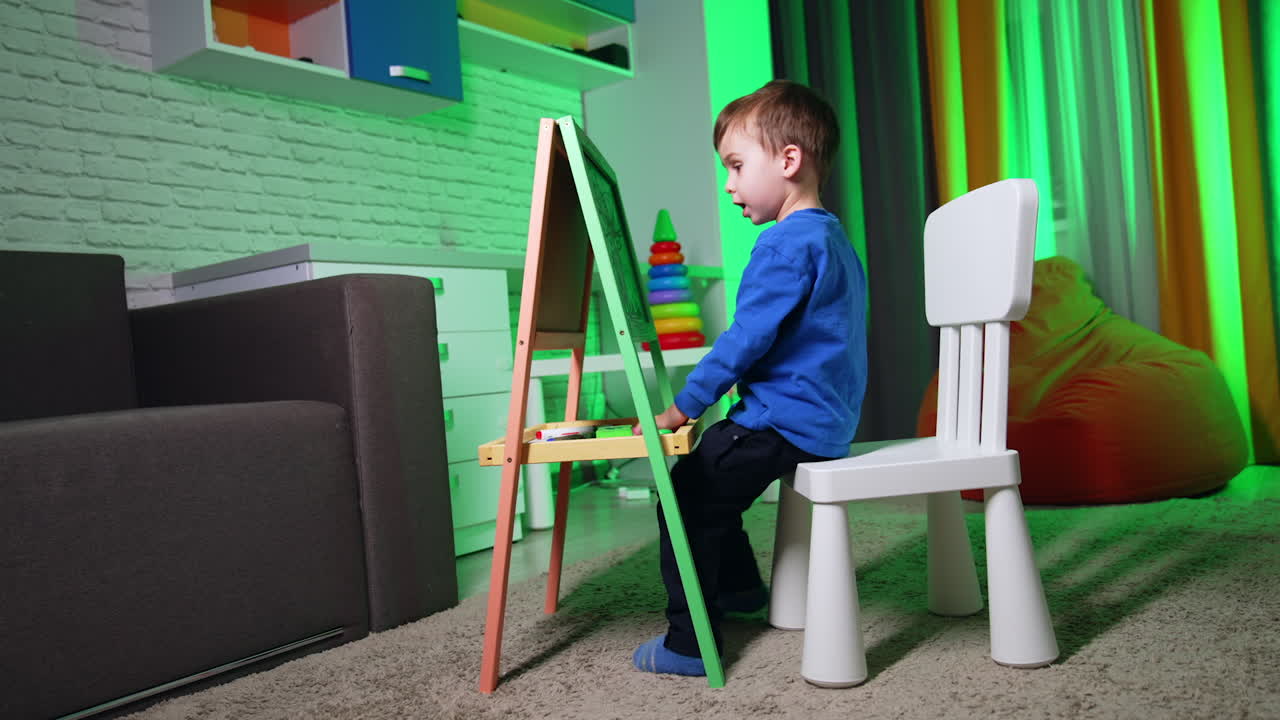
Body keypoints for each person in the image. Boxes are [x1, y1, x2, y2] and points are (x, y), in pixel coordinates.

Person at [630, 80, 868, 676]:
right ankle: (737, 589)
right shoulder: (832, 238)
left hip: (781, 422)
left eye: (736, 166)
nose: (729, 184)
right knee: (707, 480)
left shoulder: (783, 244)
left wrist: (683, 407)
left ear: (789, 161)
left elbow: (743, 340)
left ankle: (689, 643)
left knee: (684, 493)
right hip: (825, 421)